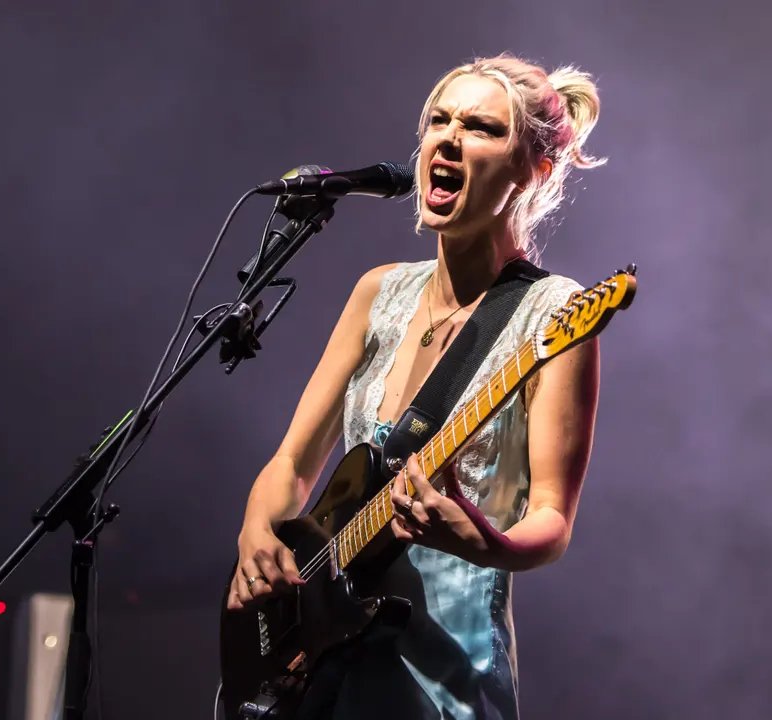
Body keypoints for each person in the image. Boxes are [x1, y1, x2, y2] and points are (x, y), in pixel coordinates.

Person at [225, 53, 604, 719]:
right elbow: (290, 462)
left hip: (445, 670)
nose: (448, 138)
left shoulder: (556, 314)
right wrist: (256, 532)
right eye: (439, 119)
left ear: (533, 169)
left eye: (481, 127)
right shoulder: (378, 291)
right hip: (323, 653)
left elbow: (552, 519)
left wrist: (483, 540)